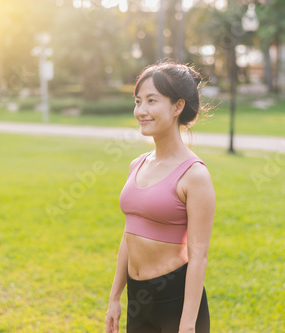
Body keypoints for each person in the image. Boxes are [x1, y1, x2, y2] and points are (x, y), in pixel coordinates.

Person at [105, 61, 216, 333]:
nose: (141, 111)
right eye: (138, 101)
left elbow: (199, 254)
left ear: (178, 107)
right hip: (138, 299)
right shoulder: (137, 164)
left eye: (151, 101)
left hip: (175, 302)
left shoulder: (195, 175)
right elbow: (129, 235)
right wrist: (114, 297)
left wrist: (188, 325)